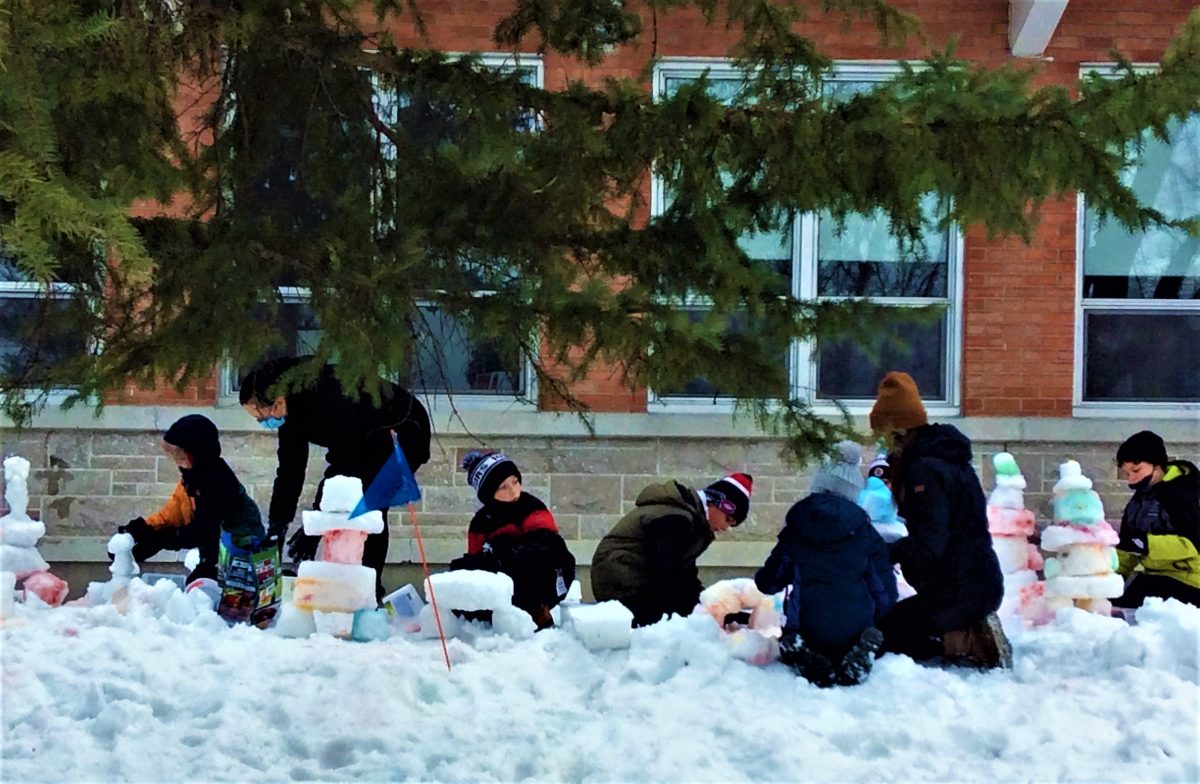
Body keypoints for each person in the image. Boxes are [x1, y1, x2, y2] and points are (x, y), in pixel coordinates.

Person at [238, 356, 431, 600]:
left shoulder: (325, 395)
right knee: (355, 504)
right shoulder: (291, 411)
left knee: (368, 509)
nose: (263, 422)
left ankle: (369, 595)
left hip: (402, 429)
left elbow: (345, 462)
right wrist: (278, 525)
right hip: (365, 439)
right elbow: (290, 469)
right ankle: (352, 590)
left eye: (261, 417)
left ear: (275, 402)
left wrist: (317, 524)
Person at [868, 371, 1012, 669]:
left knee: (887, 634)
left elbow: (930, 542)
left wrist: (880, 552)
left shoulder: (924, 470)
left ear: (897, 431)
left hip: (961, 591)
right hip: (973, 582)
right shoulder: (945, 459)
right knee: (896, 624)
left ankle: (965, 640)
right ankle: (959, 629)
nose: (880, 444)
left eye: (882, 435)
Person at [755, 441, 897, 687]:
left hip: (809, 630)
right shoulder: (865, 532)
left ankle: (802, 654)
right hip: (855, 629)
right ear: (854, 490)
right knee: (870, 628)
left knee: (791, 638)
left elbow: (768, 583)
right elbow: (886, 594)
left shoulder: (797, 528)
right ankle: (861, 651)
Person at [591, 473, 753, 627]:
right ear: (716, 502)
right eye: (728, 519)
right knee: (676, 622)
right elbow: (666, 573)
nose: (726, 528)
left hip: (633, 582)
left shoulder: (690, 519)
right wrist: (704, 611)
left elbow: (684, 576)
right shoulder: (676, 518)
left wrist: (713, 609)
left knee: (685, 615)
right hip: (622, 584)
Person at [118, 415, 264, 584]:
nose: (177, 462)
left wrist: (161, 539)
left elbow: (204, 530)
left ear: (198, 453)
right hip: (213, 556)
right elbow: (172, 513)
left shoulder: (219, 481)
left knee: (212, 593)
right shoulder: (192, 478)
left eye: (180, 456)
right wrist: (142, 529)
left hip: (241, 557)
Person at [448, 451, 576, 629]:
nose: (513, 491)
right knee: (461, 571)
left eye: (515, 482)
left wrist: (502, 557)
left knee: (522, 555)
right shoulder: (481, 522)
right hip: (502, 576)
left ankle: (538, 614)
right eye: (503, 487)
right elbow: (476, 562)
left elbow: (546, 544)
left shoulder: (530, 506)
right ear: (489, 493)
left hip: (547, 574)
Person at [1111, 430, 1200, 609]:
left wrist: (1146, 544)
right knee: (1117, 605)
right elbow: (1128, 545)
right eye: (1127, 473)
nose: (1132, 478)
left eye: (1136, 470)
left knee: (1142, 609)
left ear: (1157, 465)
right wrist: (1114, 576)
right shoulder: (1138, 502)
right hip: (1155, 575)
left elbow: (1194, 543)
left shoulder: (1184, 493)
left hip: (1191, 579)